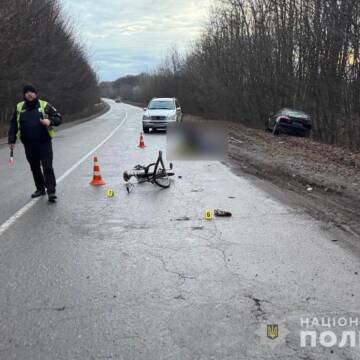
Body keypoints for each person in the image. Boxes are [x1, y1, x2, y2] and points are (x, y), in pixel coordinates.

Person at [8, 85, 62, 202]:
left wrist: (50, 121)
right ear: (24, 95)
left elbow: (58, 118)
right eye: (26, 92)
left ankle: (51, 191)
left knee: (47, 167)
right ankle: (40, 189)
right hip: (28, 144)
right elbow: (13, 124)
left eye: (31, 92)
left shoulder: (44, 105)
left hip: (44, 143)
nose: (29, 94)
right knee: (35, 168)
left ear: (36, 93)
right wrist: (12, 140)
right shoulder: (19, 107)